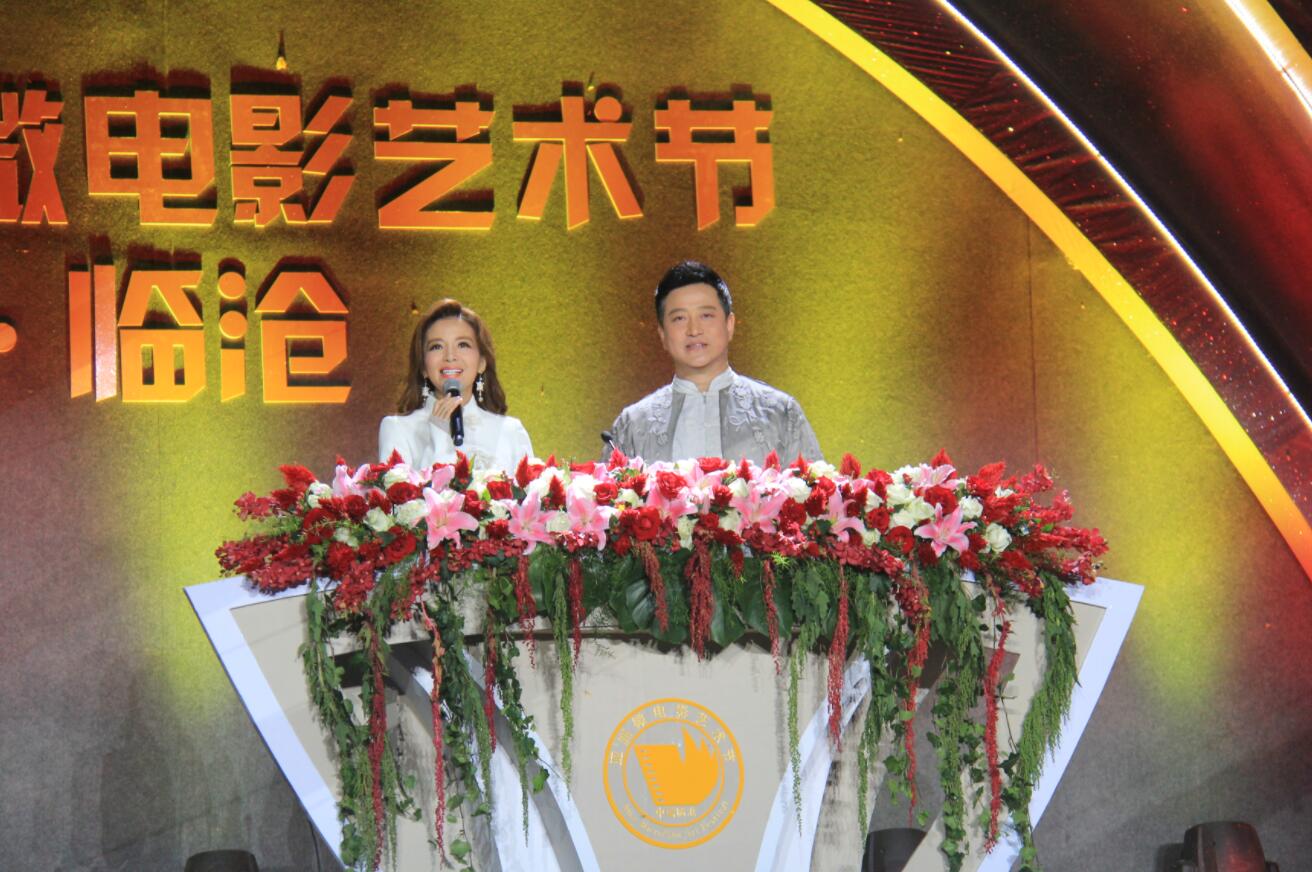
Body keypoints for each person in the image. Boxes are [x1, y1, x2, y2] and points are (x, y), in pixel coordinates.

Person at [606, 260, 822, 465]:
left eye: (706, 316)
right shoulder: (632, 425)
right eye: (679, 318)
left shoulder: (780, 413)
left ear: (729, 325)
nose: (694, 330)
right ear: (662, 334)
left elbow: (815, 488)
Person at [379, 299, 532, 473]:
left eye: (463, 345)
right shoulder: (398, 429)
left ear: (482, 362)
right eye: (436, 347)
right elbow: (398, 491)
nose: (450, 356)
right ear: (423, 367)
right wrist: (439, 437)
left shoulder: (510, 432)